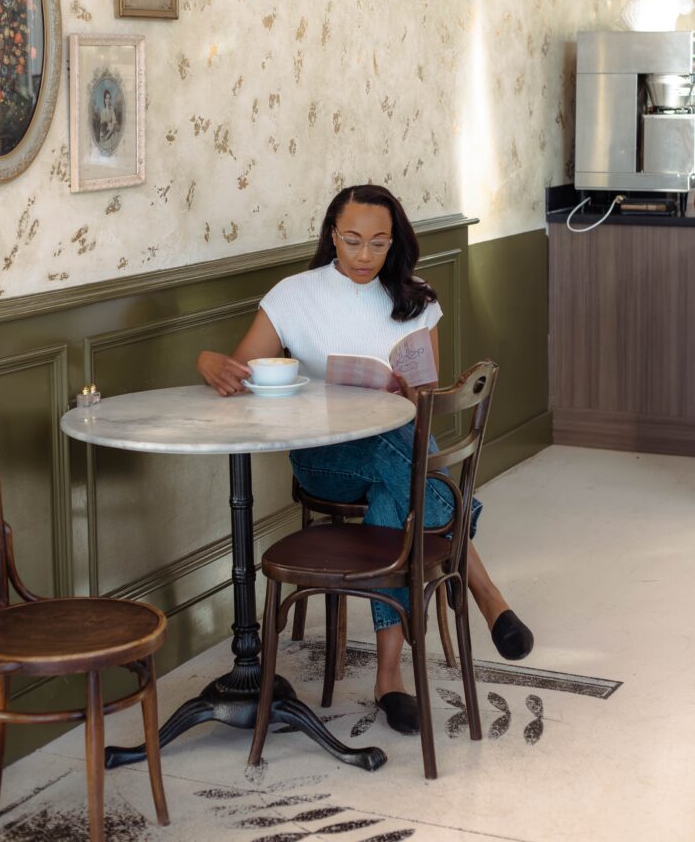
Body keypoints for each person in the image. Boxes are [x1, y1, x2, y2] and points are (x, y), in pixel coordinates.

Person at [197, 184, 534, 735]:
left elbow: (424, 401)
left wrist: (408, 392)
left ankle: (389, 680)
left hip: (396, 462)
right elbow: (237, 371)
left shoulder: (416, 299)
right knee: (397, 455)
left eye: (379, 243)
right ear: (332, 234)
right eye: (352, 240)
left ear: (393, 242)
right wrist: (207, 361)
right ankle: (478, 579)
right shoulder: (293, 295)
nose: (364, 255)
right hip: (323, 461)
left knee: (390, 492)